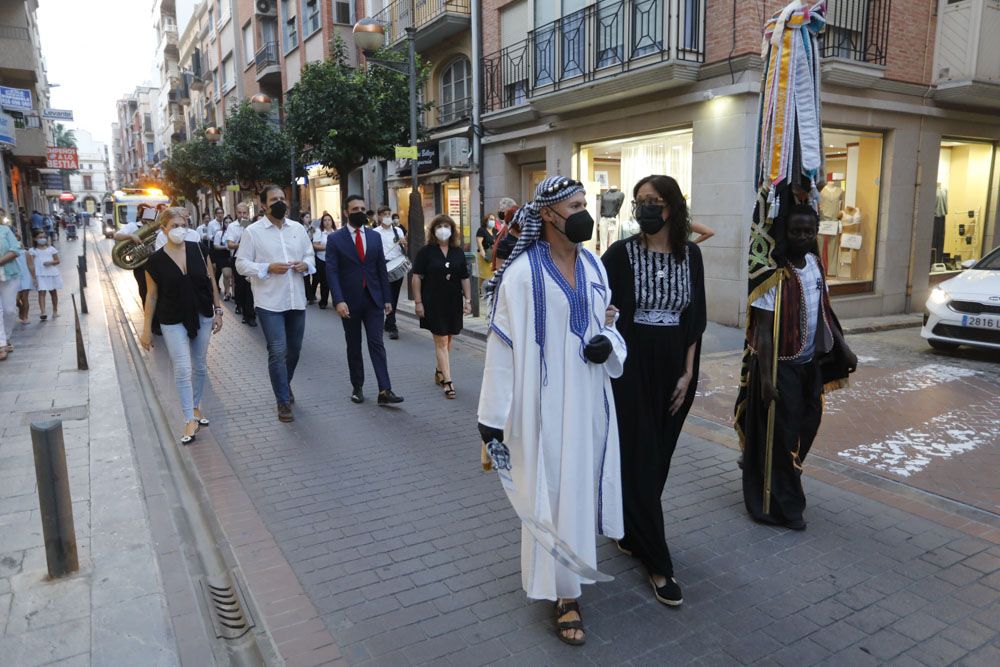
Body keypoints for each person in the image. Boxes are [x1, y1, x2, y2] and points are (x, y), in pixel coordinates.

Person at [477, 176, 627, 646]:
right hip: (541, 408)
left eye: (586, 203)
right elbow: (502, 351)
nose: (584, 211)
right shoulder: (522, 276)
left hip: (589, 401)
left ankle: (575, 576)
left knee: (578, 490)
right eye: (575, 204)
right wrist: (491, 420)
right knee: (551, 491)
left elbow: (606, 322)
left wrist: (610, 343)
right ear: (547, 213)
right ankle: (562, 595)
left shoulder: (595, 267)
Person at [602, 175, 707, 606]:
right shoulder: (620, 254)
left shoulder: (692, 255)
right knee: (642, 457)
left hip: (675, 369)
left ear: (673, 207)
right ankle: (658, 563)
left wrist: (687, 372)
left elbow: (695, 318)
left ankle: (630, 528)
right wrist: (604, 315)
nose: (646, 207)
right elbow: (594, 302)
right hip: (631, 369)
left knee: (658, 457)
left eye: (655, 200)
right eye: (639, 200)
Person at [736, 204, 857, 531]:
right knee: (783, 436)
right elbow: (762, 329)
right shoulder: (773, 272)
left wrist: (843, 348)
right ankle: (786, 507)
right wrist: (765, 378)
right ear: (784, 232)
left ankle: (781, 476)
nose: (803, 237)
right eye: (796, 231)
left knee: (807, 426)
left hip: (810, 365)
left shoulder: (816, 264)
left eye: (808, 231)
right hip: (781, 367)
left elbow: (825, 311)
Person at [139, 208, 223, 445]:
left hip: (203, 315)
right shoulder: (154, 261)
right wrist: (146, 330)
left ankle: (196, 407)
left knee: (199, 366)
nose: (179, 229)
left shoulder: (198, 249)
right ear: (163, 229)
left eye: (183, 224)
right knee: (183, 368)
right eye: (174, 225)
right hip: (172, 319)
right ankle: (189, 417)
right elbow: (152, 296)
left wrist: (218, 311)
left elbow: (211, 282)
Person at [235, 185, 315, 423]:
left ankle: (284, 383)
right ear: (263, 205)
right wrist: (266, 268)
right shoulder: (253, 232)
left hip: (296, 300)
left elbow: (310, 255)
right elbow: (241, 264)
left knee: (295, 350)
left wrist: (305, 265)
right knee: (277, 351)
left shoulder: (298, 229)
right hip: (269, 302)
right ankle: (282, 400)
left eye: (282, 198)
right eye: (274, 199)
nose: (280, 202)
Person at [325, 194, 403, 406]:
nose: (359, 212)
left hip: (373, 299)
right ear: (345, 213)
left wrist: (387, 298)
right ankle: (357, 387)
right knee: (354, 345)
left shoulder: (374, 237)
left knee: (377, 343)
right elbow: (331, 272)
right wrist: (338, 300)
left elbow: (380, 270)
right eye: (355, 209)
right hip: (349, 302)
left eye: (362, 208)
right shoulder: (335, 239)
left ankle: (384, 390)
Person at [412, 215, 471, 398]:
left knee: (449, 338)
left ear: (452, 230)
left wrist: (468, 300)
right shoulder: (426, 252)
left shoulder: (458, 252)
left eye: (447, 226)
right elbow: (416, 277)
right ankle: (448, 381)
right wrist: (418, 302)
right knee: (441, 341)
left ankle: (439, 371)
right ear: (433, 230)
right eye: (440, 226)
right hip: (433, 301)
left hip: (453, 301)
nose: (443, 229)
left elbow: (464, 277)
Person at [375, 205, 408, 340]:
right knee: (386, 295)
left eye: (389, 214)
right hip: (383, 265)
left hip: (397, 265)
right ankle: (391, 324)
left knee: (394, 295)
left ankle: (389, 322)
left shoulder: (398, 231)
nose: (387, 217)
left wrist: (404, 243)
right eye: (384, 214)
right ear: (379, 216)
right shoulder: (375, 232)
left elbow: (404, 247)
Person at [226, 203, 256, 326]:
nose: (242, 215)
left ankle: (251, 315)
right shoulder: (232, 226)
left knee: (250, 287)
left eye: (244, 213)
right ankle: (244, 311)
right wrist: (243, 244)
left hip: (250, 259)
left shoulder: (251, 226)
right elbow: (230, 244)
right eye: (240, 213)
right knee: (241, 286)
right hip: (238, 258)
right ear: (236, 212)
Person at [0, 220, 23, 360]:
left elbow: (15, 249)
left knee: (9, 310)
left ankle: (6, 337)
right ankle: (1, 344)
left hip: (9, 274)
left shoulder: (4, 230)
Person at [28, 231, 62, 321]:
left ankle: (55, 310)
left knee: (53, 292)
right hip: (40, 274)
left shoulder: (51, 249)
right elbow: (31, 264)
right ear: (35, 239)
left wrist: (50, 262)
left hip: (51, 273)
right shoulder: (32, 251)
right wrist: (33, 277)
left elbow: (57, 261)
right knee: (41, 292)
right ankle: (43, 312)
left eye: (44, 237)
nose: (42, 239)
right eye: (40, 237)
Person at [310, 213, 336, 309]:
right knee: (324, 281)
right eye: (325, 220)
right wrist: (327, 247)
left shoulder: (335, 231)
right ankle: (323, 301)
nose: (327, 222)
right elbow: (315, 245)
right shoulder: (319, 231)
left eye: (329, 220)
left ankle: (336, 301)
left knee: (334, 280)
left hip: (334, 260)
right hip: (322, 259)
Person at [211, 215, 234, 302]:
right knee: (226, 274)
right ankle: (227, 292)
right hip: (224, 255)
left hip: (235, 255)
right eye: (226, 222)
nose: (228, 224)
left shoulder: (237, 232)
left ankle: (234, 293)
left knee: (234, 276)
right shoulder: (219, 233)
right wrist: (226, 247)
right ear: (223, 224)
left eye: (230, 222)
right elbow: (216, 246)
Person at [475, 214, 500, 280]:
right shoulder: (481, 230)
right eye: (491, 219)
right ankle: (481, 290)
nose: (493, 221)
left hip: (493, 257)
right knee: (484, 278)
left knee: (492, 277)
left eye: (494, 219)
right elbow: (479, 244)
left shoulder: (495, 231)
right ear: (486, 221)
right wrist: (485, 256)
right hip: (484, 257)